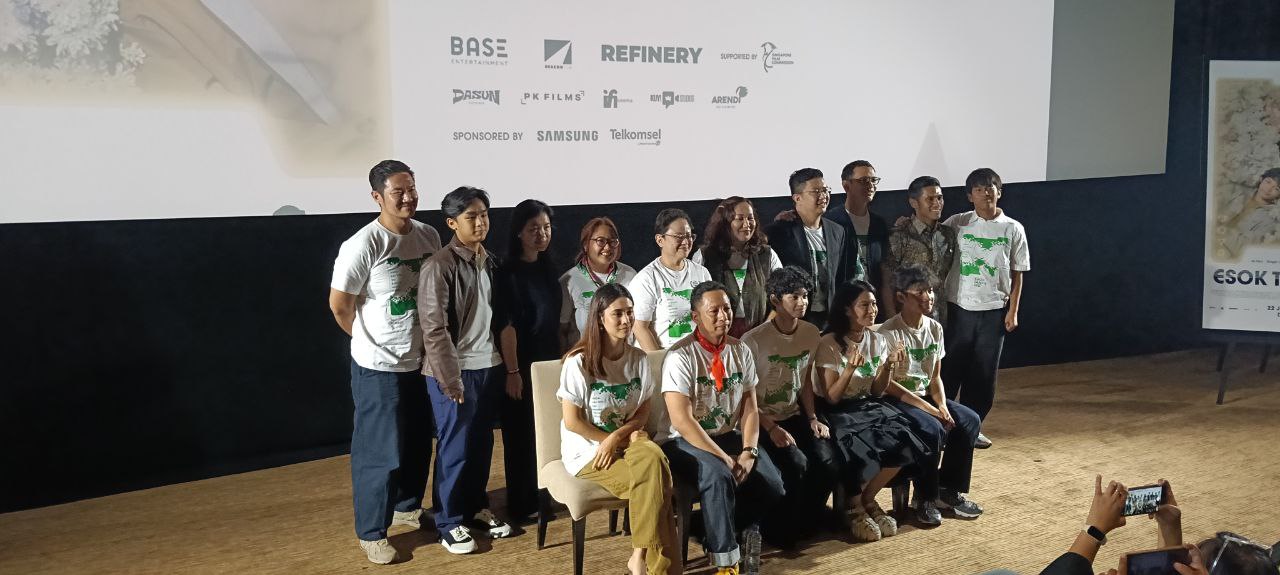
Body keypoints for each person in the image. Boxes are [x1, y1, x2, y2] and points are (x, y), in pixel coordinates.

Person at [328, 159, 441, 564]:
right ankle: (372, 531)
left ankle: (407, 508)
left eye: (412, 189)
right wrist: (369, 343)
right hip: (379, 366)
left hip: (421, 362)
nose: (408, 197)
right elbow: (340, 306)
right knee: (380, 452)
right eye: (398, 192)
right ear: (378, 197)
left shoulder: (428, 235)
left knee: (417, 442)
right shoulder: (363, 244)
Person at [660, 281, 785, 575]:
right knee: (718, 475)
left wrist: (749, 451)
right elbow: (683, 422)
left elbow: (750, 408)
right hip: (683, 441)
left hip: (727, 434)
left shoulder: (740, 350)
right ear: (695, 317)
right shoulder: (680, 356)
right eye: (713, 311)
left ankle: (729, 531)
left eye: (727, 309)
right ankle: (726, 563)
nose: (723, 317)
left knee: (773, 484)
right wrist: (724, 458)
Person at [558, 283, 681, 575]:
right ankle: (658, 568)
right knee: (658, 482)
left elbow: (643, 412)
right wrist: (609, 441)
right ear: (600, 319)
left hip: (626, 441)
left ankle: (639, 556)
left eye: (630, 312)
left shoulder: (639, 359)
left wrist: (617, 437)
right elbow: (573, 421)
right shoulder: (579, 362)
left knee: (652, 464)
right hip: (590, 452)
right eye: (618, 314)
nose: (626, 320)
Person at [419, 186, 514, 554]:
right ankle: (447, 520)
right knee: (455, 447)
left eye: (484, 215)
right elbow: (434, 328)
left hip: (488, 366)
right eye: (471, 216)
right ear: (452, 223)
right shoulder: (439, 265)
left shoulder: (490, 262)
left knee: (480, 444)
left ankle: (474, 508)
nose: (480, 222)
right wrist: (449, 379)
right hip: (454, 372)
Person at [813, 280, 928, 543]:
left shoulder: (877, 339)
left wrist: (888, 366)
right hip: (839, 410)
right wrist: (849, 369)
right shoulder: (829, 342)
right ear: (846, 309)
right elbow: (831, 397)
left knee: (904, 439)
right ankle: (853, 507)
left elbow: (877, 391)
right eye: (864, 305)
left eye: (874, 304)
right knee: (861, 447)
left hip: (867, 405)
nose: (872, 310)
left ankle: (868, 499)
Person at [878, 265, 983, 528]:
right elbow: (889, 386)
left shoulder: (935, 328)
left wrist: (942, 405)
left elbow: (935, 377)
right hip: (899, 400)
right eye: (920, 292)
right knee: (932, 427)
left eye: (931, 290)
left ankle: (947, 490)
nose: (929, 297)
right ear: (901, 297)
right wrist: (932, 411)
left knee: (969, 420)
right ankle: (924, 498)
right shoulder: (888, 332)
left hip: (925, 396)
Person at [741, 266, 838, 549]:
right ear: (775, 299)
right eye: (794, 296)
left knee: (828, 461)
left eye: (805, 296)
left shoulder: (811, 333)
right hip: (760, 420)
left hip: (794, 414)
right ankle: (780, 531)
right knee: (796, 463)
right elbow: (745, 399)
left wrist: (812, 417)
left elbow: (804, 380)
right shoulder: (753, 341)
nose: (802, 302)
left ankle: (809, 520)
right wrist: (771, 428)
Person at [941, 168, 1030, 448]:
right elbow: (931, 233)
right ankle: (942, 424)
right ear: (970, 196)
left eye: (990, 187)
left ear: (999, 192)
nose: (985, 193)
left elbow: (1018, 273)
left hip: (994, 311)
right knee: (950, 368)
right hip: (959, 308)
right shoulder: (957, 222)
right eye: (978, 189)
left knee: (983, 373)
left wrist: (1013, 310)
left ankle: (972, 426)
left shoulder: (1013, 228)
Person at [496, 199, 561, 523]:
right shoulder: (507, 272)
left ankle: (546, 494)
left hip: (549, 362)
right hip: (520, 364)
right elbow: (506, 326)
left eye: (546, 227)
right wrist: (512, 371)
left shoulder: (548, 267)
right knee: (521, 435)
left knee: (546, 432)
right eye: (533, 228)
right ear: (519, 232)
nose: (541, 234)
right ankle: (521, 503)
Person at [765, 168, 859, 330]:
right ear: (797, 198)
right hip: (794, 316)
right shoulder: (778, 231)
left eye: (826, 190)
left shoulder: (837, 231)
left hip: (829, 318)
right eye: (816, 191)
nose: (823, 195)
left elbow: (841, 277)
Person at [693, 197, 784, 337]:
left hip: (760, 334)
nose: (747, 224)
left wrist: (766, 329)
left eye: (750, 218)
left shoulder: (767, 254)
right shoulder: (705, 256)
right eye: (740, 219)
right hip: (717, 335)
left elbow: (782, 296)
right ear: (725, 223)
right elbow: (696, 302)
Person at [629, 208, 713, 351]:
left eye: (689, 236)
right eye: (679, 236)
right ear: (660, 240)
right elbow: (639, 327)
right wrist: (659, 361)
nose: (686, 241)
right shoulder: (646, 279)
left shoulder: (701, 273)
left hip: (697, 353)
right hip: (664, 354)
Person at [883, 175, 957, 325]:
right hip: (908, 318)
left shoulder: (948, 234)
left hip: (941, 317)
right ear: (914, 202)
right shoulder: (898, 236)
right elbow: (887, 282)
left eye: (939, 198)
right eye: (930, 199)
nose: (937, 203)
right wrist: (892, 320)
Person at [560, 217, 638, 347]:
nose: (607, 247)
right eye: (600, 241)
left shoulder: (630, 275)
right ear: (586, 245)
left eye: (612, 241)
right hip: (586, 355)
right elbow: (562, 330)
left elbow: (639, 321)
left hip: (624, 354)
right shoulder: (569, 281)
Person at [827, 160, 891, 313]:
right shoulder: (831, 221)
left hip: (873, 306)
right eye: (863, 181)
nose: (870, 185)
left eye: (873, 180)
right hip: (843, 306)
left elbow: (883, 270)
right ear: (846, 186)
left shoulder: (879, 223)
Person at [1217, 167, 1280, 258]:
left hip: (1225, 252)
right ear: (1261, 179)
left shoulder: (1271, 220)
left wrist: (1218, 231)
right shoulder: (1238, 191)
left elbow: (1244, 247)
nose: (1268, 189)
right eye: (1268, 182)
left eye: (1276, 189)